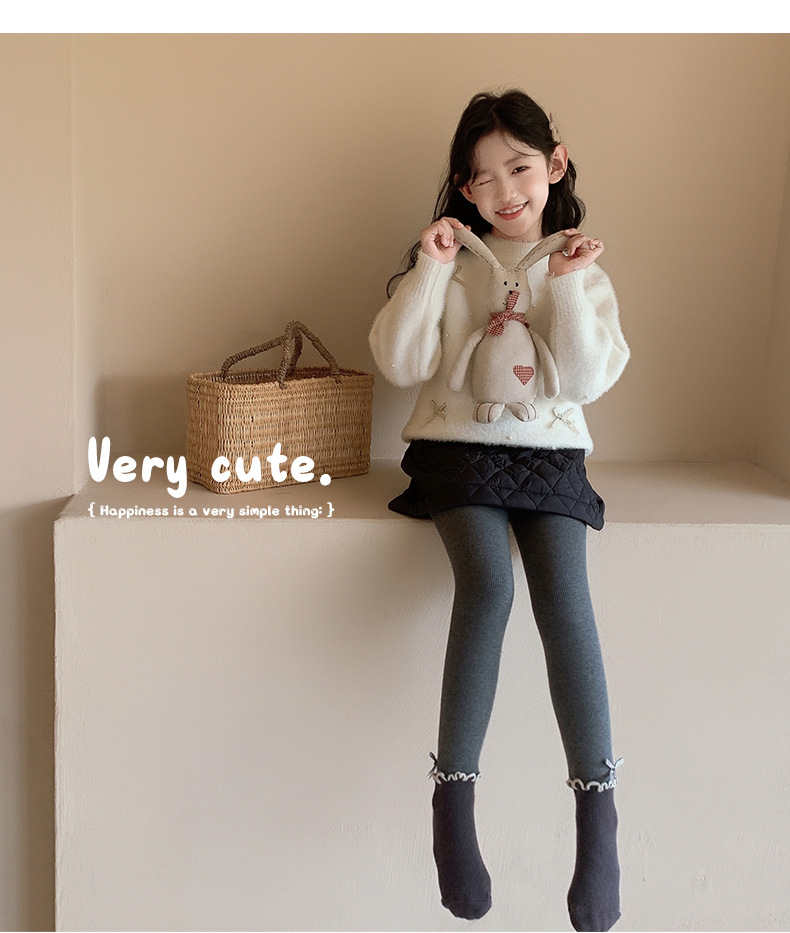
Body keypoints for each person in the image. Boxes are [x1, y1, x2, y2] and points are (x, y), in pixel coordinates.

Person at [369, 89, 629, 932]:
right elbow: (400, 361)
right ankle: (453, 804)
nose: (505, 191)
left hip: (551, 456)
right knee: (488, 585)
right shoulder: (449, 262)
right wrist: (431, 267)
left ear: (554, 164)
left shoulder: (583, 268)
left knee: (566, 598)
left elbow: (584, 380)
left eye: (520, 167)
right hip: (458, 453)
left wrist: (568, 286)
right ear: (464, 188)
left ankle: (598, 816)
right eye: (483, 178)